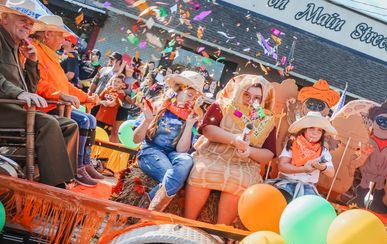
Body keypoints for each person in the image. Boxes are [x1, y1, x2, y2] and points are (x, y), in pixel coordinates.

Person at [0, 0, 78, 188]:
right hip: (4, 109)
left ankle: (55, 178)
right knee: (49, 123)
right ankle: (54, 188)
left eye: (30, 23)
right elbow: (17, 90)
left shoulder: (16, 46)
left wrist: (32, 63)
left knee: (70, 125)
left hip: (14, 109)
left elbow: (30, 90)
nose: (28, 25)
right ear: (4, 18)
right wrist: (19, 94)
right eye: (22, 20)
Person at [184, 74, 277, 226]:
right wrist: (234, 140)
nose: (250, 100)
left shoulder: (266, 121)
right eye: (247, 94)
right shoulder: (222, 105)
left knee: (240, 180)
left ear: (264, 99)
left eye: (257, 98)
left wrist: (250, 152)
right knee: (201, 170)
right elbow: (208, 130)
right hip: (213, 154)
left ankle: (220, 232)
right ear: (239, 91)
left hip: (244, 163)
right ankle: (187, 223)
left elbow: (268, 154)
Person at [31, 15, 103, 187]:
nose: (63, 40)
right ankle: (75, 168)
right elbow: (39, 84)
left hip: (56, 103)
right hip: (47, 106)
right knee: (84, 120)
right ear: (47, 34)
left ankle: (84, 163)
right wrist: (60, 95)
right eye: (60, 35)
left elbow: (66, 86)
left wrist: (88, 98)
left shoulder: (50, 55)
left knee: (90, 119)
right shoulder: (35, 50)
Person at [133, 71, 204, 211]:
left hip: (172, 154)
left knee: (187, 160)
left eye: (195, 97)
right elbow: (136, 140)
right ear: (179, 89)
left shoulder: (191, 116)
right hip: (150, 150)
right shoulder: (159, 106)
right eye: (190, 95)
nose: (192, 100)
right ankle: (146, 210)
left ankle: (146, 206)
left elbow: (181, 151)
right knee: (171, 174)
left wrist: (189, 124)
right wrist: (147, 120)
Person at [267, 111, 336, 201]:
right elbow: (282, 166)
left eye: (319, 130)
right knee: (280, 200)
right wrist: (304, 169)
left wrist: (322, 167)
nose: (315, 133)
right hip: (286, 184)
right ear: (304, 129)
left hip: (308, 189)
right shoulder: (292, 144)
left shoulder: (323, 151)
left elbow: (331, 173)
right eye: (312, 128)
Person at [95, 74, 126, 142]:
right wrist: (103, 102)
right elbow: (97, 101)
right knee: (95, 134)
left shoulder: (121, 94)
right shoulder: (107, 90)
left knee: (105, 137)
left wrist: (103, 102)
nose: (116, 83)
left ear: (122, 84)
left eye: (118, 82)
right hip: (99, 117)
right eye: (114, 81)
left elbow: (113, 104)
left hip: (108, 120)